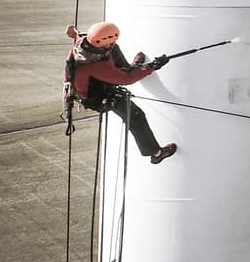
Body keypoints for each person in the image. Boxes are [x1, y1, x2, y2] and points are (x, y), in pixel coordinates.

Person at [65, 21, 177, 164]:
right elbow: (126, 79)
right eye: (111, 41)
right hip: (97, 97)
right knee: (136, 117)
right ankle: (156, 153)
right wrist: (152, 67)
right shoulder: (97, 65)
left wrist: (73, 33)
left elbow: (79, 35)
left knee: (114, 50)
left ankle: (132, 67)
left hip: (93, 83)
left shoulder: (85, 41)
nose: (113, 43)